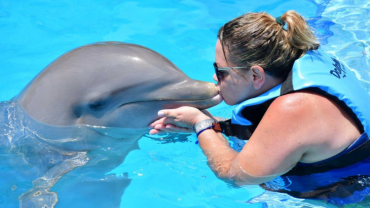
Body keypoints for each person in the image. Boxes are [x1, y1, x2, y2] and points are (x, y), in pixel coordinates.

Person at [149, 10, 370, 205]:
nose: (214, 77)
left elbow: (235, 175)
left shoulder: (295, 108)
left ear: (256, 75)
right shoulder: (300, 63)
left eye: (221, 71)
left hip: (353, 196)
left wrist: (200, 123)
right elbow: (279, 133)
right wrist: (215, 125)